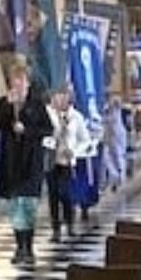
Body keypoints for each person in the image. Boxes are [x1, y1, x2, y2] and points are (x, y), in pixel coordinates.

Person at [0, 65, 53, 264]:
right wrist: (8, 108)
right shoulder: (4, 102)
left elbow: (47, 129)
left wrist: (26, 130)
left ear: (27, 82)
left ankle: (29, 245)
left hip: (32, 161)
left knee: (29, 205)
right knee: (16, 205)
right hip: (12, 161)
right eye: (14, 80)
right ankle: (20, 247)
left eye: (21, 80)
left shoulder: (37, 104)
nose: (18, 84)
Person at [44, 87, 92, 241]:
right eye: (57, 96)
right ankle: (55, 229)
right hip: (51, 159)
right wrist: (52, 142)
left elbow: (86, 140)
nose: (60, 100)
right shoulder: (47, 115)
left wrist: (75, 150)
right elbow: (41, 135)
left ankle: (70, 224)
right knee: (53, 194)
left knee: (66, 193)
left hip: (67, 160)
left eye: (64, 97)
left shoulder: (76, 117)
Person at [101, 96, 128, 192]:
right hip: (110, 138)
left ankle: (119, 177)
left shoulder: (117, 112)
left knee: (117, 157)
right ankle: (116, 177)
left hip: (117, 137)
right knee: (109, 158)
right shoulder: (107, 111)